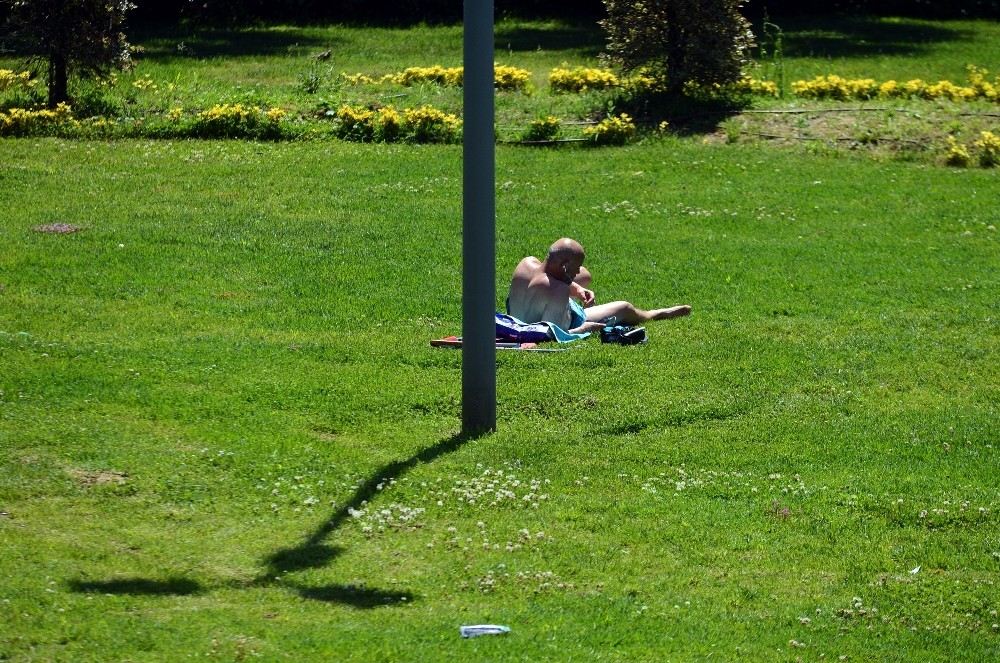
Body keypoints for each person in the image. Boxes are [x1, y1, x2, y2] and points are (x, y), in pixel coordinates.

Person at [506, 237, 691, 334]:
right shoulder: (558, 292)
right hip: (544, 323)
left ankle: (576, 281)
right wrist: (585, 329)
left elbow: (547, 279)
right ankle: (656, 314)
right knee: (624, 307)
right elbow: (552, 334)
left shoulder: (526, 264)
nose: (577, 272)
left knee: (585, 278)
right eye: (575, 268)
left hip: (518, 319)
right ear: (564, 266)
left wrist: (577, 288)